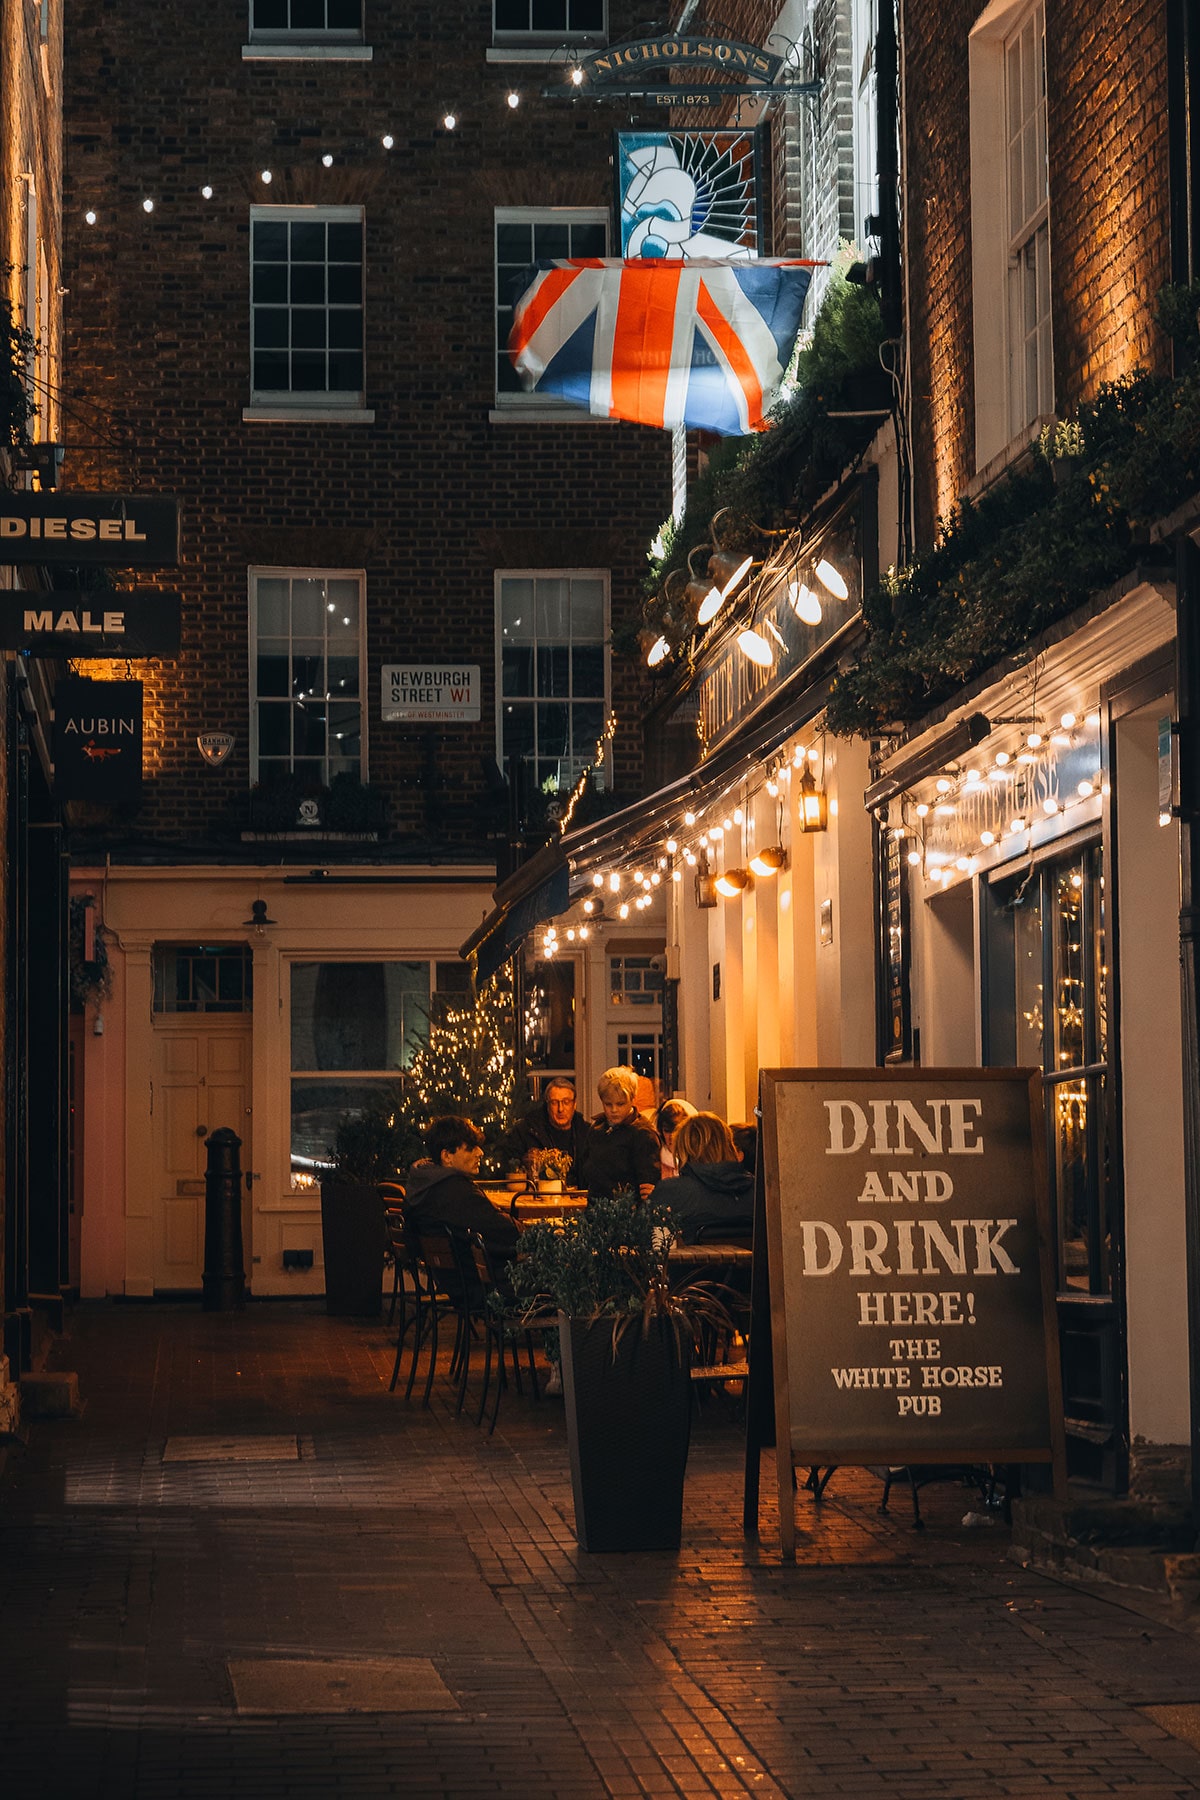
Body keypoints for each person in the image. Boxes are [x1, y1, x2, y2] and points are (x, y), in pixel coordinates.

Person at [403, 1116, 520, 1266]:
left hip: (451, 1279)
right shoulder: (456, 1192)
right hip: (481, 1281)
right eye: (471, 1148)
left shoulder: (423, 1185)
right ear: (447, 1156)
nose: (480, 1153)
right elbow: (508, 1231)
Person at [665, 1112, 754, 1243]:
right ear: (728, 1144)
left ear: (683, 1150)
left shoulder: (672, 1191)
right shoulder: (761, 1192)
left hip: (690, 1262)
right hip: (750, 1262)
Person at [585, 1066, 661, 1201]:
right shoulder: (597, 1129)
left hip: (627, 1213)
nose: (614, 1110)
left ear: (632, 1099)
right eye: (608, 1104)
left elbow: (648, 1188)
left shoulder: (643, 1134)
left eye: (620, 1104)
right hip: (597, 1209)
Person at [500, 1078, 594, 1186]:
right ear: (547, 1105)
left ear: (574, 1104)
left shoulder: (587, 1132)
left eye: (566, 1102)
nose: (560, 1109)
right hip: (538, 1198)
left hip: (580, 1199)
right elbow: (508, 1168)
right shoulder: (526, 1130)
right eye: (554, 1102)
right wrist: (526, 1164)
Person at [655, 1097, 698, 1180]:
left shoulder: (699, 1162)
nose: (672, 1136)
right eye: (667, 1131)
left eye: (676, 1130)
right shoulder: (655, 1162)